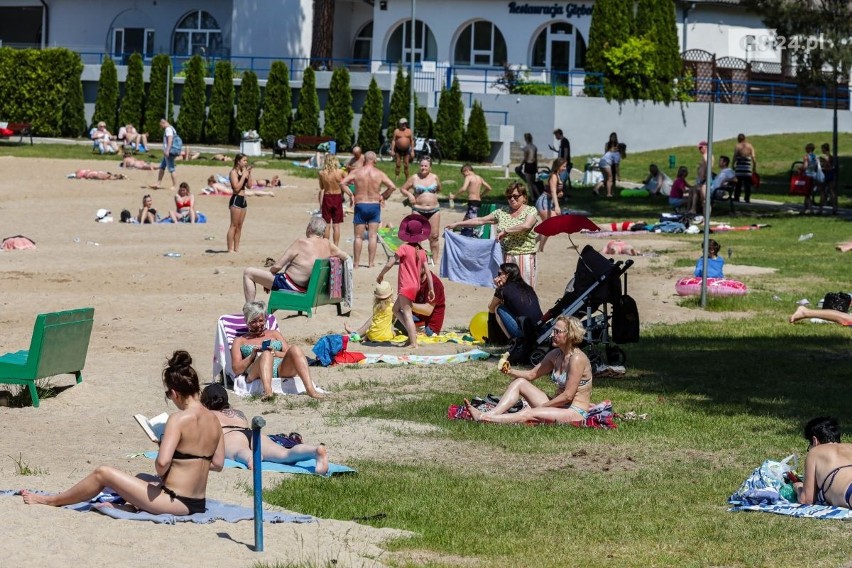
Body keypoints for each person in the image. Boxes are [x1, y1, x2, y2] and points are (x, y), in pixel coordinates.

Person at [22, 350, 224, 514]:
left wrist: (164, 445)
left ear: (174, 393)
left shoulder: (178, 420)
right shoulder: (215, 420)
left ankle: (51, 500)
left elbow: (162, 465)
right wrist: (188, 459)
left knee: (103, 473)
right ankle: (128, 506)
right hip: (197, 501)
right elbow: (217, 464)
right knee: (142, 477)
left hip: (175, 501)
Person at [464, 315, 592, 424]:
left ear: (570, 335)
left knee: (527, 413)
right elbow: (531, 374)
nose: (552, 334)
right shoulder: (556, 354)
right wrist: (509, 371)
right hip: (558, 405)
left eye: (557, 332)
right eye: (553, 330)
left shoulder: (576, 359)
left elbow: (568, 396)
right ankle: (492, 413)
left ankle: (485, 418)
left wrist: (541, 407)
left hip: (574, 410)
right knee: (520, 382)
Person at [200, 384, 328, 474]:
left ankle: (252, 458)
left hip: (230, 435)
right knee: (285, 454)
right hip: (251, 433)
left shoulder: (207, 415)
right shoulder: (237, 413)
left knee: (239, 451)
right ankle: (314, 451)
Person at [446, 182, 540, 289]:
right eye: (509, 196)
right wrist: (457, 224)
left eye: (516, 196)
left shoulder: (531, 210)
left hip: (525, 255)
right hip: (505, 257)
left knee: (526, 290)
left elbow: (526, 225)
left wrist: (506, 231)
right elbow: (479, 220)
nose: (512, 199)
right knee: (506, 291)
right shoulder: (502, 212)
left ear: (524, 197)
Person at [230, 301, 324, 400]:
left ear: (265, 319)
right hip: (255, 371)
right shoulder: (240, 341)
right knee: (266, 354)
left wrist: (276, 353)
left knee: (295, 349)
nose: (258, 324)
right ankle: (268, 392)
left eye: (261, 320)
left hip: (280, 369)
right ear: (247, 321)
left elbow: (290, 354)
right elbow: (236, 369)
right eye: (253, 321)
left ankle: (311, 390)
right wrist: (252, 356)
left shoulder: (274, 334)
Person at [242, 216, 349, 302]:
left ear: (309, 229)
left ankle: (250, 309)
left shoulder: (301, 242)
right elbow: (346, 257)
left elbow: (278, 266)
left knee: (248, 273)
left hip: (290, 285)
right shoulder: (328, 244)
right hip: (311, 289)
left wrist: (269, 278)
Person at [377, 214, 434, 349]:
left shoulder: (404, 248)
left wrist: (381, 274)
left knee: (407, 313)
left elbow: (391, 262)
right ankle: (411, 336)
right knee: (396, 310)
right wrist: (431, 289)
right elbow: (428, 272)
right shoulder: (421, 251)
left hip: (405, 286)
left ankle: (414, 342)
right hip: (415, 286)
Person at [339, 151, 397, 268]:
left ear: (364, 160)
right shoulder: (379, 173)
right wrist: (383, 196)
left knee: (358, 237)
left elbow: (342, 183)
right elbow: (392, 186)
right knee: (373, 236)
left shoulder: (357, 172)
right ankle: (371, 263)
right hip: (374, 205)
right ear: (375, 160)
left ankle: (356, 264)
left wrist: (351, 195)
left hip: (360, 204)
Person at [793, 417, 852, 508]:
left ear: (814, 441)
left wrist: (798, 487)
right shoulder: (850, 446)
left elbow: (806, 500)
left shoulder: (815, 451)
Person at [400, 158, 443, 265]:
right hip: (418, 210)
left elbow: (439, 189)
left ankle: (434, 261)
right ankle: (417, 261)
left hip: (434, 210)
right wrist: (410, 195)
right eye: (422, 165)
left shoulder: (435, 177)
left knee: (434, 236)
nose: (423, 168)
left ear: (430, 167)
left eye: (426, 166)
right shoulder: (414, 178)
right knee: (417, 237)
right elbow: (403, 189)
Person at [489, 262, 542, 339]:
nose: (498, 277)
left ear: (507, 275)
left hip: (526, 333)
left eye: (500, 274)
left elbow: (490, 307)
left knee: (498, 308)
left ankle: (513, 342)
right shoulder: (528, 287)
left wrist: (498, 289)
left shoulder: (504, 289)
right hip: (540, 329)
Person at [449, 164, 492, 238]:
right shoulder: (479, 178)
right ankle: (460, 228)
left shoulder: (468, 177)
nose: (464, 176)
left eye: (463, 174)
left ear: (467, 170)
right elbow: (489, 188)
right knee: (467, 219)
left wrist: (454, 196)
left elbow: (463, 189)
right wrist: (481, 195)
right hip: (478, 202)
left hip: (472, 202)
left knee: (469, 223)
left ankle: (466, 237)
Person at [318, 153, 351, 246]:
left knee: (327, 225)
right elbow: (348, 181)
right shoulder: (340, 172)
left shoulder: (321, 173)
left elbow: (321, 187)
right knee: (336, 225)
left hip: (327, 197)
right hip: (337, 197)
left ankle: (325, 245)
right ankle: (336, 246)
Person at [536, 158, 565, 252]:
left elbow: (555, 192)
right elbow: (552, 191)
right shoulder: (553, 176)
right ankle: (540, 249)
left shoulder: (558, 175)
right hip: (544, 202)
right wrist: (557, 206)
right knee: (550, 225)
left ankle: (534, 244)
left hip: (549, 202)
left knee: (550, 226)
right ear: (558, 166)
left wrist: (560, 194)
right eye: (563, 166)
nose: (565, 168)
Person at [227, 153, 253, 253]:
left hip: (243, 200)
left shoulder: (244, 172)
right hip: (236, 199)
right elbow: (236, 188)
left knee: (239, 226)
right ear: (238, 161)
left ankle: (236, 248)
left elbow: (250, 186)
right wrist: (243, 177)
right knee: (233, 225)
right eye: (244, 160)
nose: (246, 162)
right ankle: (230, 249)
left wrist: (249, 174)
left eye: (246, 161)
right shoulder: (233, 172)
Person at [150, 118, 178, 191]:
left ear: (163, 123)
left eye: (160, 125)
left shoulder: (168, 129)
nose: (160, 126)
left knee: (171, 168)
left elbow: (170, 139)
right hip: (168, 152)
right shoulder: (172, 128)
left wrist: (167, 150)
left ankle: (175, 185)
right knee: (162, 167)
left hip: (169, 152)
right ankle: (158, 183)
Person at [733, 133, 757, 203]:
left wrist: (733, 165)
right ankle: (747, 198)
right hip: (747, 168)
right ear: (745, 139)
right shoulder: (750, 146)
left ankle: (736, 197)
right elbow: (753, 156)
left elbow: (735, 156)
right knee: (747, 185)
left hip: (739, 168)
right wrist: (754, 166)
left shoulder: (737, 146)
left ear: (738, 139)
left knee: (738, 184)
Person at [202, 175, 275, 197]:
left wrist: (209, 192)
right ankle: (267, 193)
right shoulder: (219, 183)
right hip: (233, 190)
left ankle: (268, 193)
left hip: (234, 191)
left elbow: (216, 193)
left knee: (252, 193)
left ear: (210, 183)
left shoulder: (214, 185)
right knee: (252, 193)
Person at [819, 143, 837, 215]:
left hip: (825, 174)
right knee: (832, 191)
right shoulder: (831, 156)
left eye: (822, 148)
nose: (821, 150)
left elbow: (827, 166)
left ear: (824, 148)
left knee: (822, 191)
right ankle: (834, 208)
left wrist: (821, 167)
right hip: (831, 174)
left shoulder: (824, 157)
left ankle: (821, 209)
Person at [520, 132, 539, 200]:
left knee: (529, 183)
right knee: (533, 182)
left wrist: (520, 165)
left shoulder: (526, 148)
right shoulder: (534, 147)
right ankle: (539, 196)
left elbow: (525, 158)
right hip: (533, 165)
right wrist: (536, 168)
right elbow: (536, 158)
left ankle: (532, 198)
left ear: (526, 139)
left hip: (528, 165)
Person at [693, 140, 709, 214]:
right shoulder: (704, 156)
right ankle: (704, 216)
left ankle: (706, 217)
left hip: (705, 181)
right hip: (702, 180)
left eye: (700, 148)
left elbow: (707, 166)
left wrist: (703, 176)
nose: (699, 150)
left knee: (705, 200)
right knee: (703, 200)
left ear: (705, 147)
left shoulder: (706, 156)